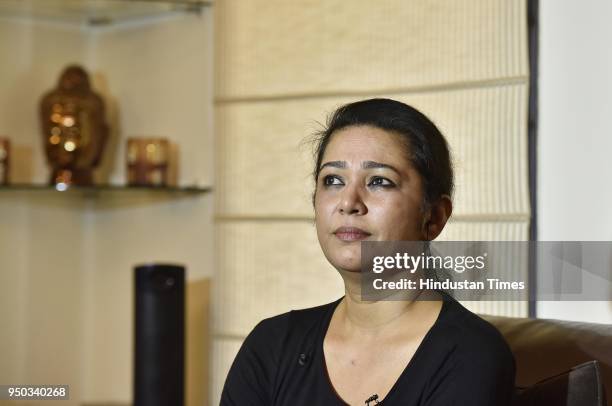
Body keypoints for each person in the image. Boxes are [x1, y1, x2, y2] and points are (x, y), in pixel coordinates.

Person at [220, 98, 516, 405]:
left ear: (434, 216)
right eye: (333, 180)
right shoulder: (272, 345)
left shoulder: (472, 354)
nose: (348, 202)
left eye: (379, 181)